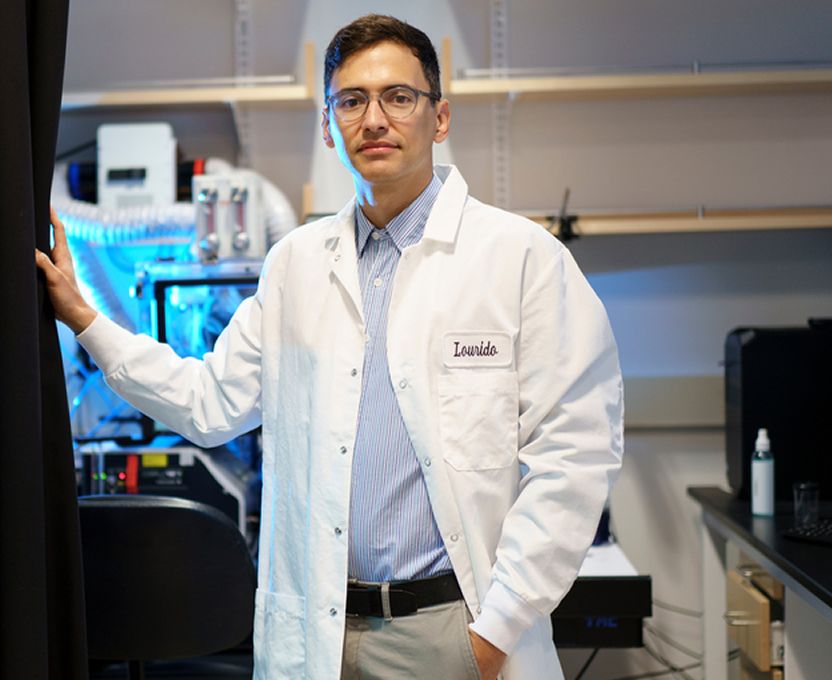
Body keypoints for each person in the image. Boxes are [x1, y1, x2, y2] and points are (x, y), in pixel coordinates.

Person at [37, 13, 623, 680]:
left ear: (440, 118)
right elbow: (209, 403)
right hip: (320, 635)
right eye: (351, 100)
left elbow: (575, 456)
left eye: (399, 97)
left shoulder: (521, 261)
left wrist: (495, 630)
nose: (375, 119)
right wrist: (84, 317)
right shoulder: (295, 265)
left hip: (454, 631)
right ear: (327, 124)